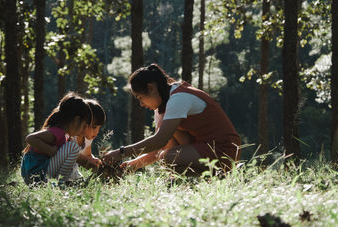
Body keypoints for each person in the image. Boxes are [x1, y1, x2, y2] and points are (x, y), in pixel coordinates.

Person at [103, 63, 241, 174]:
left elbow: (159, 140)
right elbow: (160, 146)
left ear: (151, 88)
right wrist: (132, 165)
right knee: (168, 152)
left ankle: (224, 174)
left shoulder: (178, 98)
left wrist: (121, 152)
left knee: (169, 158)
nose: (141, 104)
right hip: (203, 148)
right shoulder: (162, 107)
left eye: (140, 98)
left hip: (225, 149)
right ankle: (210, 178)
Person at [21, 92, 91, 185]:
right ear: (76, 120)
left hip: (38, 173)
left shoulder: (64, 135)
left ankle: (63, 182)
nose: (84, 130)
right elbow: (30, 138)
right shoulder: (57, 132)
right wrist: (50, 150)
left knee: (71, 147)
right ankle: (61, 183)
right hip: (35, 172)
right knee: (72, 147)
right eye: (83, 126)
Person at [68, 99, 105, 181]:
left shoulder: (87, 139)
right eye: (94, 127)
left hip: (75, 177)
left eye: (99, 128)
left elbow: (87, 155)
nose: (97, 132)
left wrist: (94, 160)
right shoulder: (70, 137)